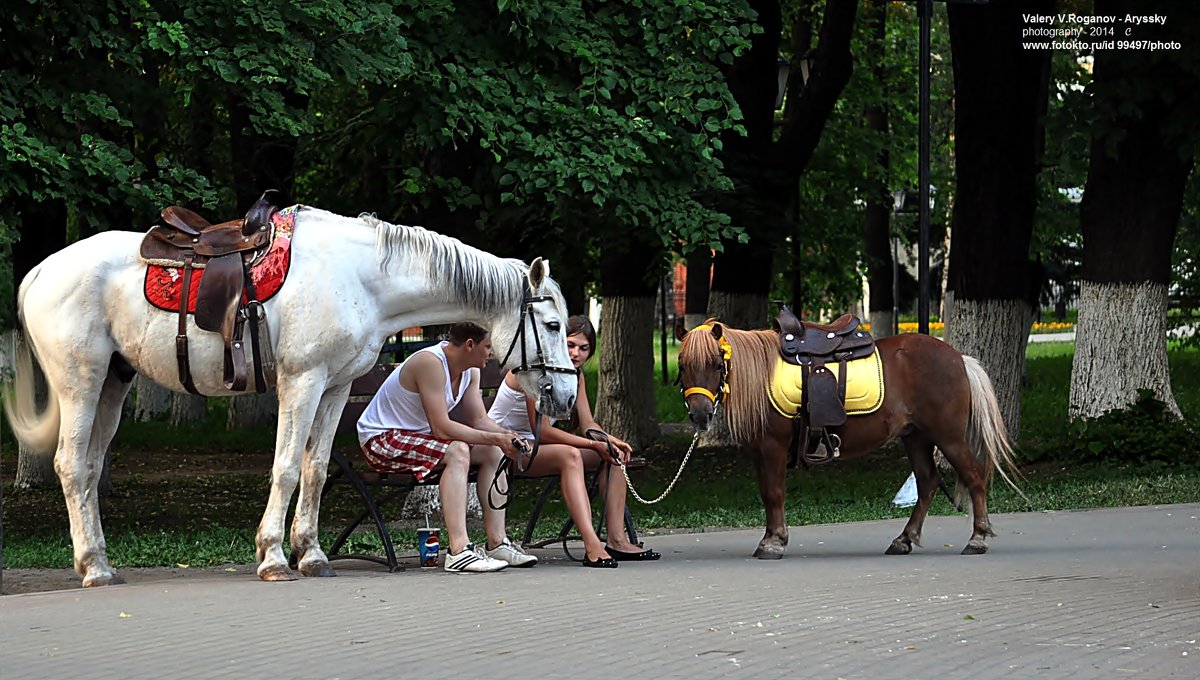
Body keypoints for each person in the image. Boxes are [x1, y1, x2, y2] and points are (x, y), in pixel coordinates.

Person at [357, 322, 538, 573]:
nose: (492, 353)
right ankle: (459, 551)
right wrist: (494, 438)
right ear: (470, 345)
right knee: (458, 450)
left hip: (419, 438)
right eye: (487, 346)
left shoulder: (470, 371)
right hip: (382, 441)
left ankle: (497, 543)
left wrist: (507, 436)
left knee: (493, 452)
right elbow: (441, 428)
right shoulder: (430, 363)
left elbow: (479, 419)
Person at [488, 315, 660, 566]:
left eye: (584, 348)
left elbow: (588, 424)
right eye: (570, 345)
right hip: (503, 450)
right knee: (571, 455)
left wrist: (608, 441)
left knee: (614, 456)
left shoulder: (574, 375)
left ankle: (617, 540)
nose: (576, 353)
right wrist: (593, 445)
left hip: (536, 449)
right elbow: (543, 432)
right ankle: (592, 544)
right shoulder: (533, 371)